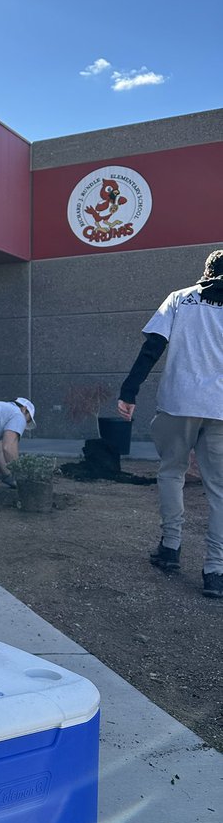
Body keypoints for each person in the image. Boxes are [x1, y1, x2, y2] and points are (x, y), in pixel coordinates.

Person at [117, 248, 223, 599]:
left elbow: (152, 348)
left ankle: (171, 548)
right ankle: (215, 571)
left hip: (178, 403)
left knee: (172, 472)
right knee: (219, 491)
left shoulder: (180, 299)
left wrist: (129, 392)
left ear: (205, 272)